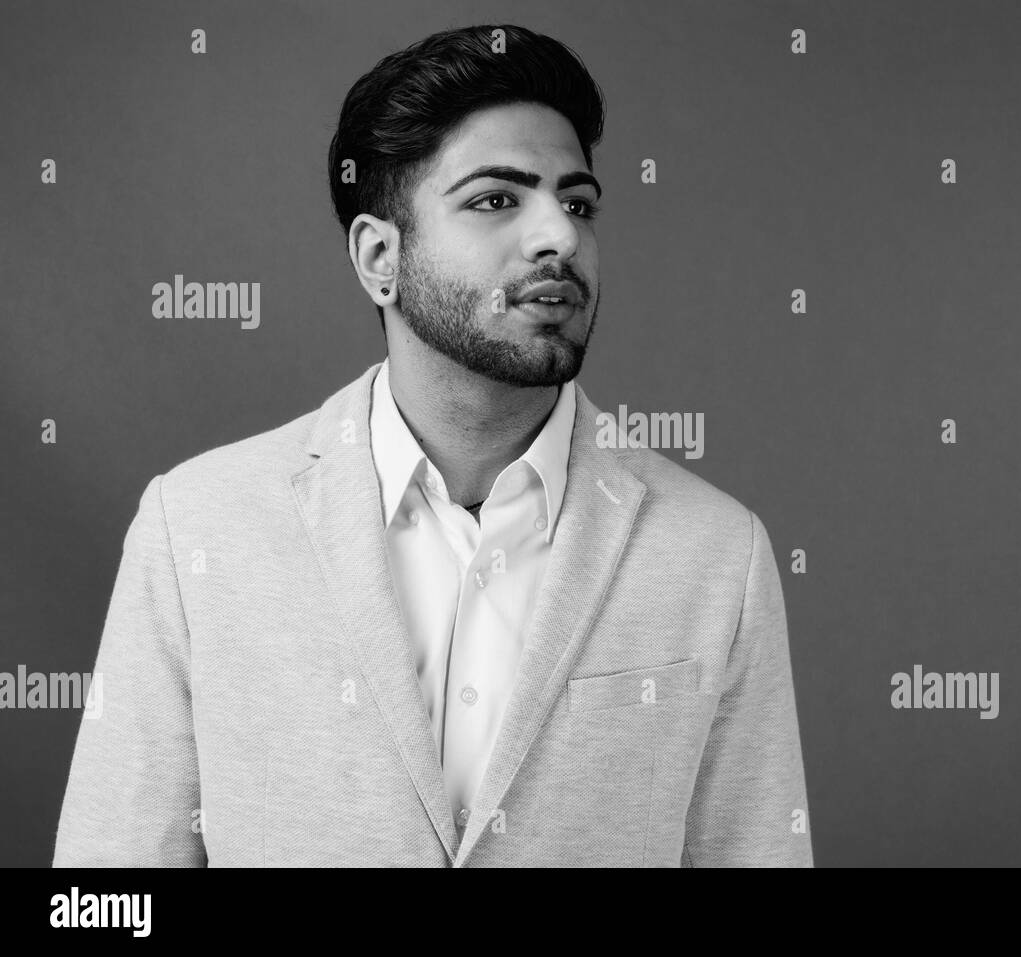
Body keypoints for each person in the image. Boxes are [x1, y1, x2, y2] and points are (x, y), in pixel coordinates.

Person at [53, 23, 813, 867]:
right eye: (497, 199)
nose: (558, 235)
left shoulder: (716, 552)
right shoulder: (196, 528)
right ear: (380, 256)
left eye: (578, 202)